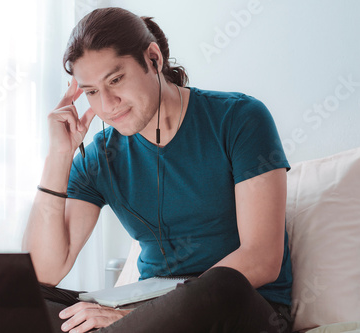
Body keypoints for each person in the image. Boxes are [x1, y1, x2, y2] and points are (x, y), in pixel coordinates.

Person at [23, 7, 294, 333]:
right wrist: (58, 156)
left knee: (223, 284)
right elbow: (43, 271)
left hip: (238, 308)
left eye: (116, 79)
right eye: (92, 92)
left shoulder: (239, 118)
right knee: (20, 296)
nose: (108, 104)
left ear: (153, 59)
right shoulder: (99, 158)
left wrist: (138, 317)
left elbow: (261, 257)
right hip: (146, 313)